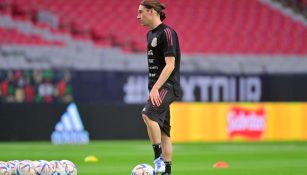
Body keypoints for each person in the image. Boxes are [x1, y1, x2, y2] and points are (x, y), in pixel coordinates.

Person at [137, 1, 181, 175]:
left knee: (148, 113)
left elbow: (170, 65)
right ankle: (167, 172)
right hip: (157, 87)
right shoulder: (150, 35)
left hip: (167, 85)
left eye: (141, 12)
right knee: (164, 132)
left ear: (151, 11)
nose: (138, 16)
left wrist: (155, 88)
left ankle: (158, 159)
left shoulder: (168, 33)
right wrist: (153, 88)